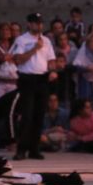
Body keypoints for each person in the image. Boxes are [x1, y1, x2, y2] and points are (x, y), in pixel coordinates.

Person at [10, 13, 56, 160]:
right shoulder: (22, 40)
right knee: (27, 115)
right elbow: (18, 60)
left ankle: (34, 149)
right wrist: (35, 48)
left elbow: (51, 59)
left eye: (41, 23)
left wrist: (53, 70)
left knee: (39, 115)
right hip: (27, 78)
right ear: (29, 24)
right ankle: (21, 149)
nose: (39, 26)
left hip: (42, 78)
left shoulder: (46, 41)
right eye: (36, 23)